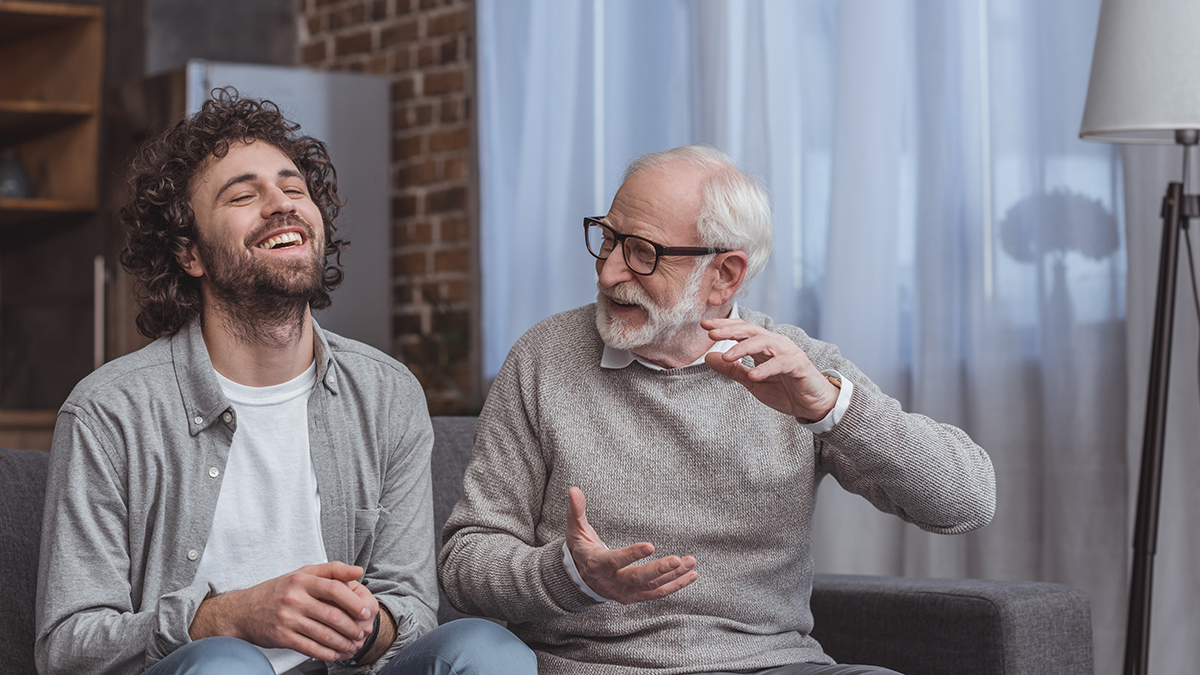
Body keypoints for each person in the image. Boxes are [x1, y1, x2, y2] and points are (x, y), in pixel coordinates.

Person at [438, 144, 996, 675]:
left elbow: (965, 503)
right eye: (608, 240)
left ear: (724, 275)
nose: (609, 272)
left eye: (642, 252)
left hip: (766, 664)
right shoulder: (544, 358)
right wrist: (568, 575)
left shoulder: (796, 368)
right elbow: (465, 563)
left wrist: (831, 409)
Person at [35, 90, 535, 675]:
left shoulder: (387, 394)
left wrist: (367, 625)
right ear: (189, 252)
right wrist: (225, 619)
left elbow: (412, 609)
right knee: (227, 665)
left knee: (486, 649)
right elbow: (65, 645)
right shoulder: (109, 412)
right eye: (244, 195)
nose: (282, 205)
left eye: (294, 189)